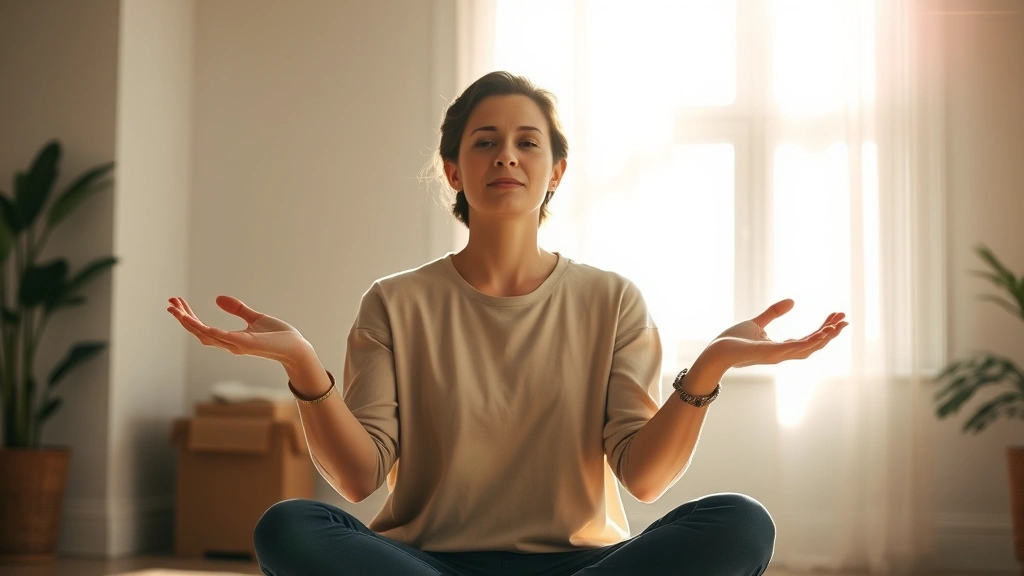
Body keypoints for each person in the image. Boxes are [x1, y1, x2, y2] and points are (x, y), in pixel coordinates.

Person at [168, 71, 847, 576]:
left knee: (740, 522)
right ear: (453, 170)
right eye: (484, 142)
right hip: (426, 565)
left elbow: (641, 477)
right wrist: (305, 371)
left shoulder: (613, 300)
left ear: (556, 171)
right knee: (289, 527)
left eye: (527, 142)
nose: (506, 156)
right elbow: (357, 477)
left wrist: (709, 369)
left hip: (582, 566)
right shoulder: (394, 303)